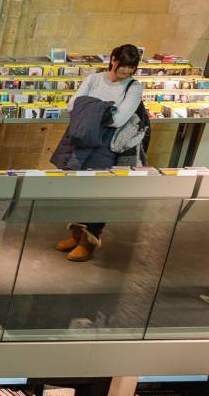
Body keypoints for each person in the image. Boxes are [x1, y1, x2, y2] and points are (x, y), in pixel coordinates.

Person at [53, 44, 146, 263]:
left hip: (106, 144)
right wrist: (103, 108)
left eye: (132, 68)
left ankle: (89, 240)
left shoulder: (133, 87)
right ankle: (75, 235)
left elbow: (119, 119)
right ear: (113, 60)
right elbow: (72, 105)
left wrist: (90, 109)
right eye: (124, 66)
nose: (127, 72)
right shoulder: (95, 79)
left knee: (99, 190)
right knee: (76, 187)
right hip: (81, 139)